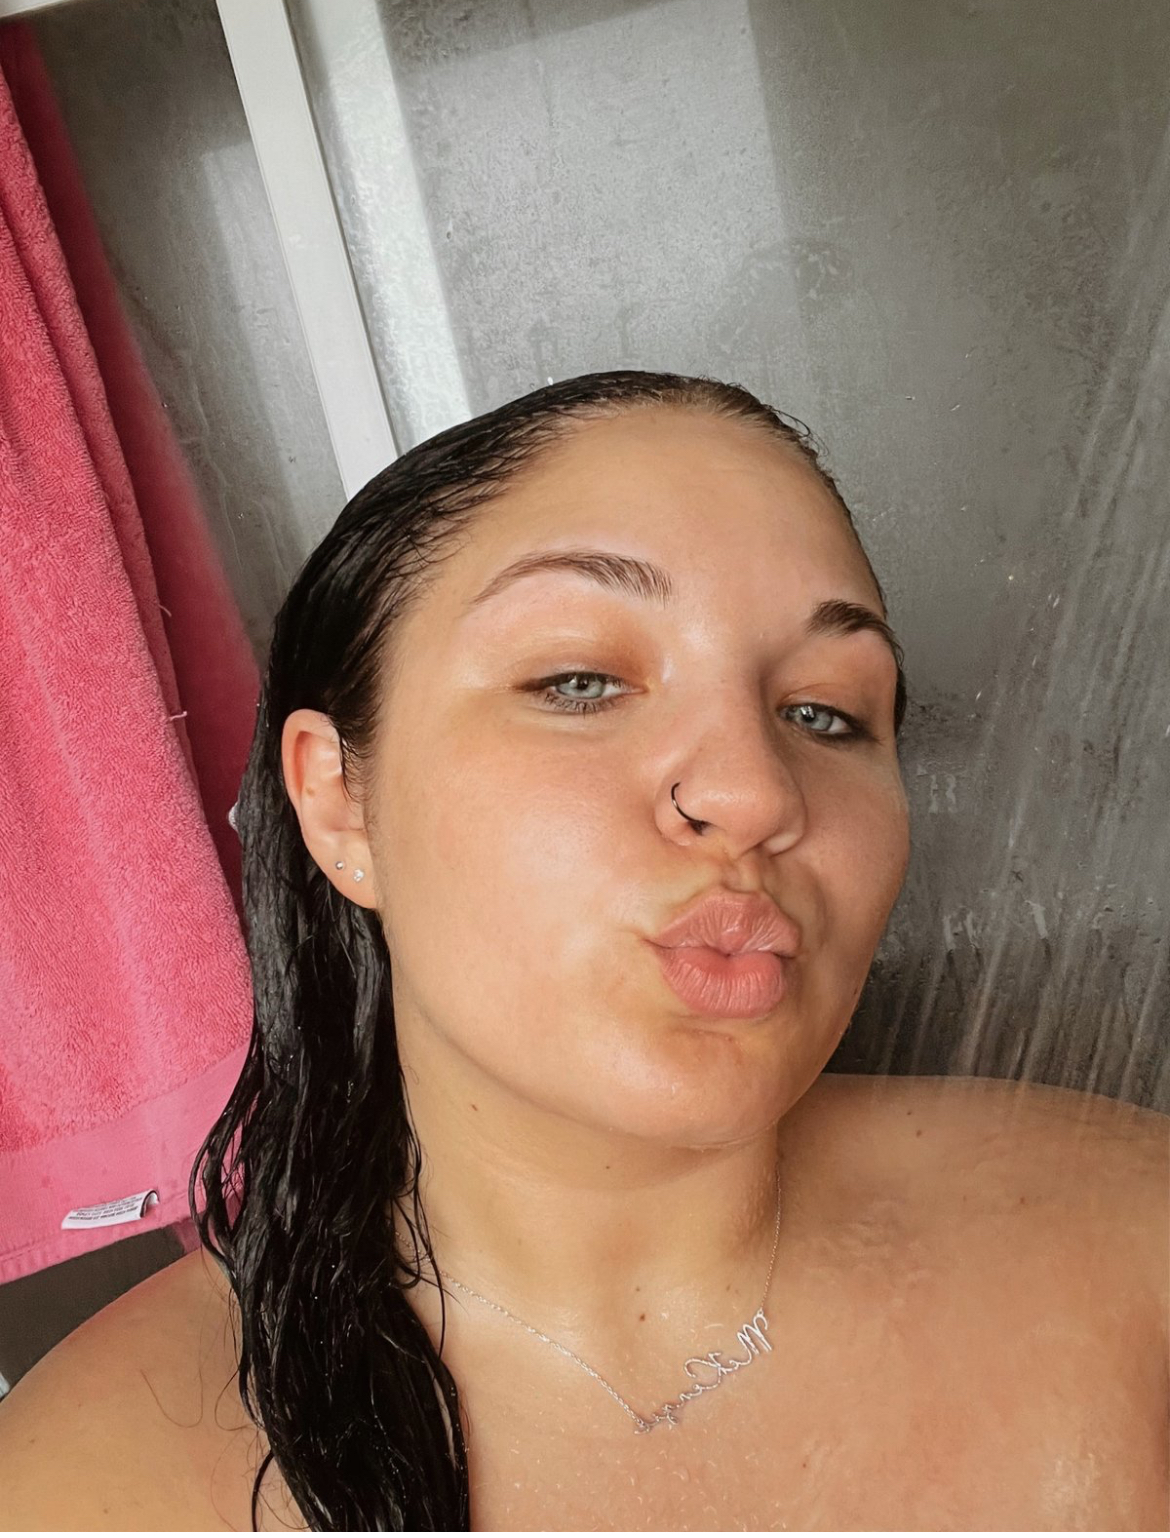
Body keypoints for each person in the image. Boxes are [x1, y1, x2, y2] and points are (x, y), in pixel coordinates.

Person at [0, 370, 1165, 1533]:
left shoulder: (1135, 1253)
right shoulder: (83, 1487)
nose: (757, 792)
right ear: (342, 802)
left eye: (826, 711)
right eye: (580, 681)